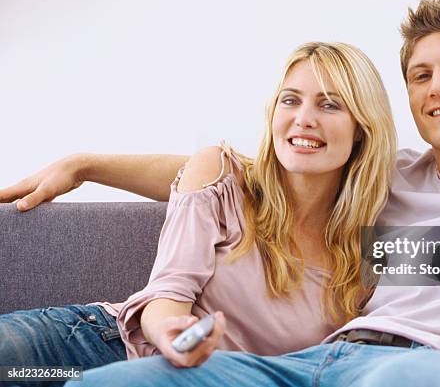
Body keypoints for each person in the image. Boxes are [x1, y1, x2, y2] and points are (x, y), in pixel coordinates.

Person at [2, 0, 440, 386]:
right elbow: (237, 174)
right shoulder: (391, 176)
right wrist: (86, 164)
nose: (438, 87)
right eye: (421, 75)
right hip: (278, 356)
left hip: (423, 370)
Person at [0, 41, 397, 386]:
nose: (303, 118)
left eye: (329, 104)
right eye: (290, 100)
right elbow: (168, 291)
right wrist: (172, 332)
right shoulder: (222, 178)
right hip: (89, 348)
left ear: (362, 127)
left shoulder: (376, 244)